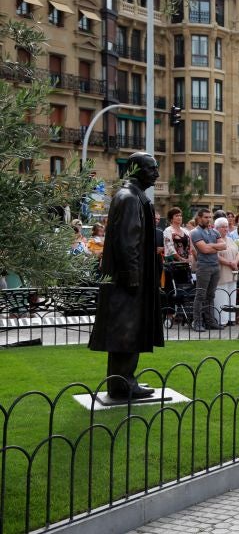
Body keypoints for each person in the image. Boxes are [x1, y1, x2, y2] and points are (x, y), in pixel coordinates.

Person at [88, 152, 163, 401]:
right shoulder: (129, 198)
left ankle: (122, 382)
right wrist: (132, 275)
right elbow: (127, 242)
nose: (157, 173)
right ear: (135, 170)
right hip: (129, 280)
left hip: (129, 277)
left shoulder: (130, 196)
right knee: (127, 331)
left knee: (126, 331)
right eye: (152, 168)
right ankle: (123, 385)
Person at [190, 209, 226, 332]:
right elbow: (204, 250)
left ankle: (210, 321)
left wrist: (209, 246)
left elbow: (224, 246)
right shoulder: (195, 232)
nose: (208, 219)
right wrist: (215, 247)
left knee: (211, 295)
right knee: (200, 295)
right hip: (204, 267)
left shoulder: (214, 231)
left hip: (215, 266)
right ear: (199, 218)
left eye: (210, 217)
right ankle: (197, 322)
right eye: (206, 217)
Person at [213, 217, 239, 326]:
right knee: (221, 295)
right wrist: (230, 263)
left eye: (226, 226)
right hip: (222, 271)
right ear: (217, 228)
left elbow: (238, 252)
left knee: (232, 294)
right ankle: (221, 320)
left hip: (233, 271)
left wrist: (235, 261)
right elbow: (216, 255)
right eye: (223, 227)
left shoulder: (230, 239)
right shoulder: (215, 240)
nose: (226, 229)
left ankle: (231, 318)